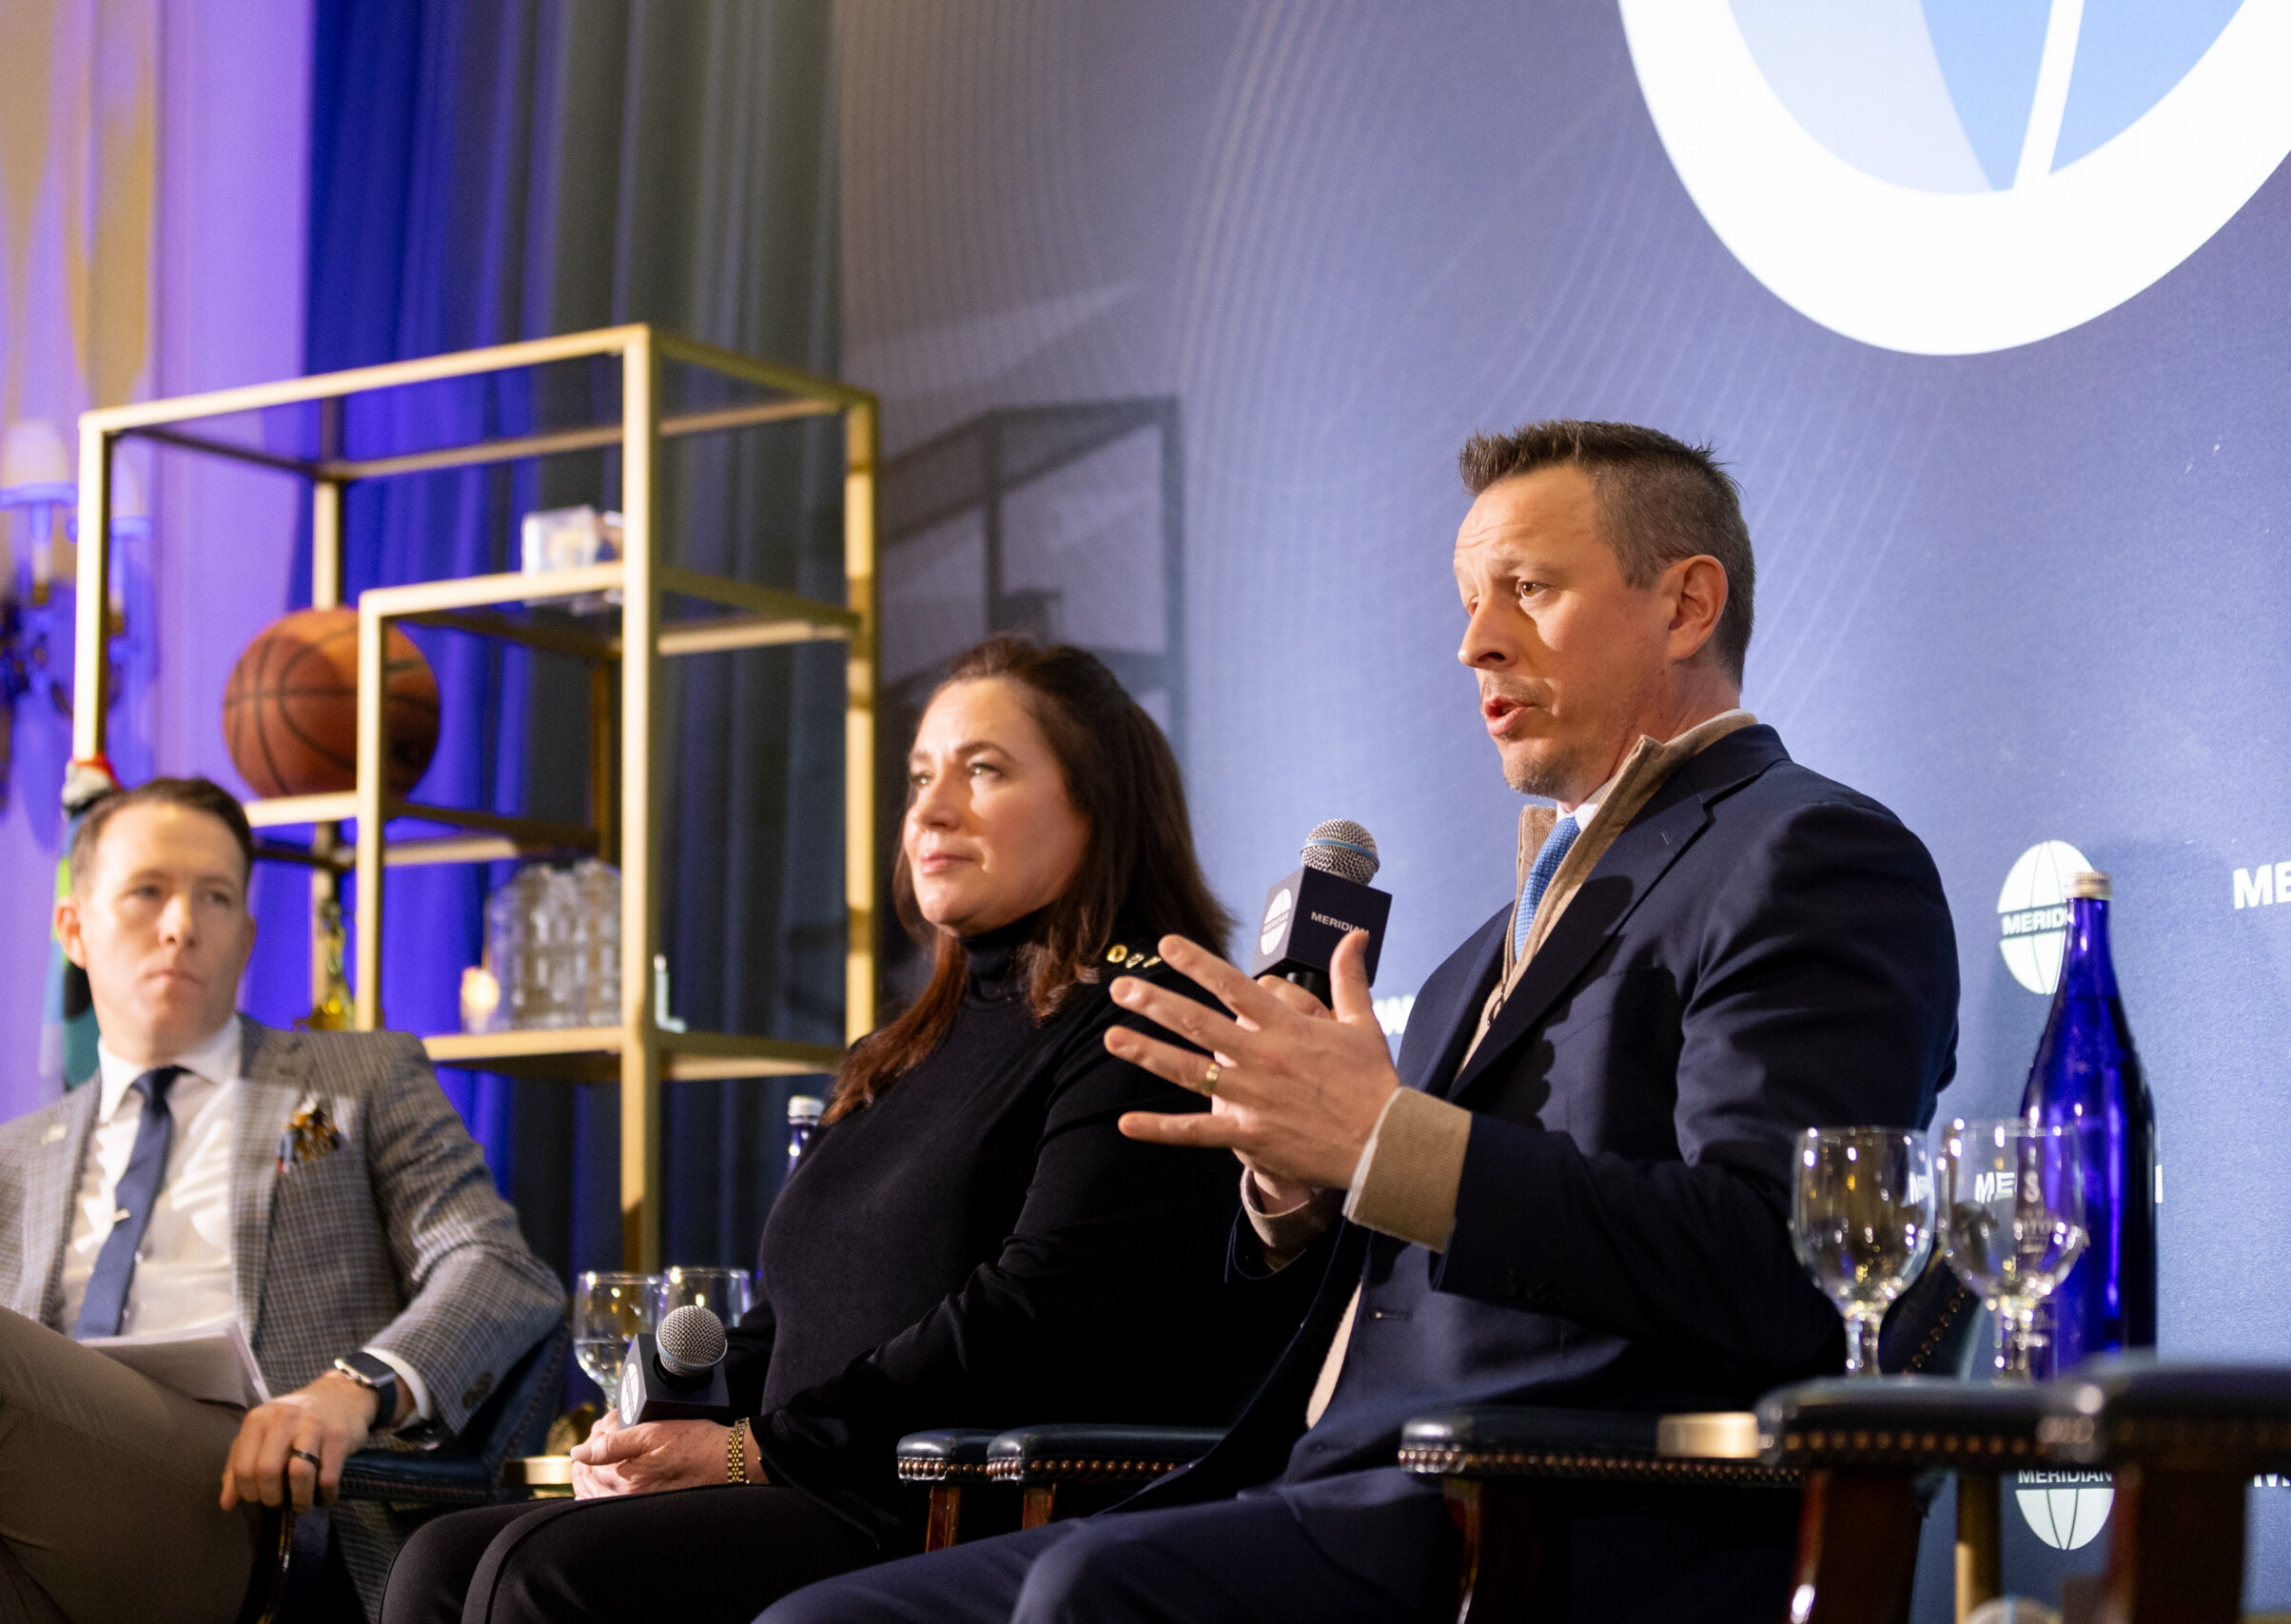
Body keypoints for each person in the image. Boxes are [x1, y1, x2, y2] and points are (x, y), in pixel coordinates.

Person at [759, 421, 1963, 1624]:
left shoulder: (1805, 855)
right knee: (819, 1619)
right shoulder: (1469, 963)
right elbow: (1376, 1282)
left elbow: (1777, 1267)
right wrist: (1297, 1189)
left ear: (1686, 605)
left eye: (1529, 589)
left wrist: (1387, 1144)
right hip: (1320, 1483)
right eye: (1470, 600)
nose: (1475, 641)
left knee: (1086, 1593)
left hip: (1560, 1521)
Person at [382, 636, 1316, 1624]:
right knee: (442, 1558)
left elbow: (1041, 1319)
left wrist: (753, 1450)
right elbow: (786, 1320)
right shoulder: (902, 1050)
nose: (931, 810)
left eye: (983, 770)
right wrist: (658, 1431)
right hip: (811, 1475)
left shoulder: (1143, 1024)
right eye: (920, 776)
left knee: (542, 1576)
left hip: (946, 1507)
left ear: (1099, 803)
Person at [0, 776, 563, 1624]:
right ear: (73, 929)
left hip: (263, 1514)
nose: (182, 924)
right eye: (147, 891)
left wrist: (351, 1388)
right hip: (30, 1537)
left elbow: (496, 1268)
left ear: (247, 937)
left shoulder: (362, 1080)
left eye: (216, 897)